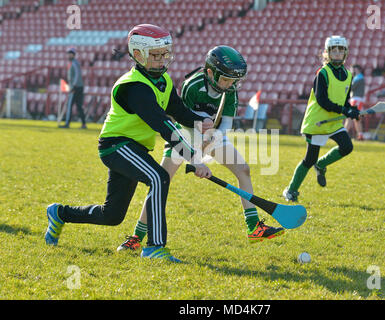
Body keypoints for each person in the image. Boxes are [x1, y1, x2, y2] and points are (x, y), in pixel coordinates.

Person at [45, 24, 214, 263]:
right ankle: (155, 246)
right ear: (138, 55)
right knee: (159, 177)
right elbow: (163, 125)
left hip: (133, 148)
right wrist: (194, 159)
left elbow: (178, 111)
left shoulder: (163, 79)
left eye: (165, 54)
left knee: (112, 215)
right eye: (156, 55)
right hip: (116, 146)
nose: (162, 60)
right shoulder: (134, 87)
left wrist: (201, 120)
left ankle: (59, 213)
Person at [117, 45, 284, 252]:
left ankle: (254, 227)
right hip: (184, 133)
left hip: (212, 134)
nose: (230, 84)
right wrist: (196, 152)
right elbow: (181, 117)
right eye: (226, 79)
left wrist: (213, 138)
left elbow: (226, 123)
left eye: (233, 80)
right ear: (210, 72)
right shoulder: (192, 85)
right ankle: (136, 236)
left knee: (243, 169)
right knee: (161, 183)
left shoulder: (229, 89)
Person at [283, 35, 359, 202]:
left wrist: (352, 109)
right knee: (309, 159)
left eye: (341, 50)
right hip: (317, 122)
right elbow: (323, 101)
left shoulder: (348, 75)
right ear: (327, 53)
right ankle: (291, 190)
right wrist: (345, 111)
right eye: (334, 50)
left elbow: (344, 100)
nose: (337, 53)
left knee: (347, 147)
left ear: (345, 53)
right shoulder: (322, 73)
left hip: (334, 122)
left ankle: (322, 164)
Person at [59, 48, 87, 129]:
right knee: (79, 106)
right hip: (78, 87)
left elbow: (77, 75)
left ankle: (67, 124)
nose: (68, 55)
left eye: (70, 54)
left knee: (70, 105)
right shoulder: (73, 63)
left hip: (76, 87)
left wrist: (73, 86)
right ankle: (83, 124)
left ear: (73, 55)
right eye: (68, 54)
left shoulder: (74, 63)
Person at [344, 64, 365, 140]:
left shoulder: (358, 78)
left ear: (358, 69)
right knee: (356, 118)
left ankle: (344, 134)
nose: (352, 71)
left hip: (356, 100)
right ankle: (360, 135)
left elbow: (351, 88)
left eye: (353, 69)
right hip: (357, 100)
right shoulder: (359, 77)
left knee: (350, 117)